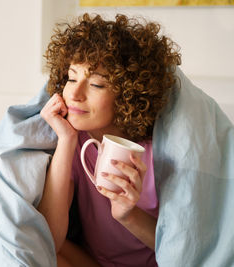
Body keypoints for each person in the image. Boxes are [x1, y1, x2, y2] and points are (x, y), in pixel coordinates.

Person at [37, 13, 181, 267]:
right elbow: (48, 240)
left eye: (96, 85)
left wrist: (127, 215)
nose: (75, 94)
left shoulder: (160, 150)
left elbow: (182, 248)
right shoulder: (76, 143)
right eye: (71, 78)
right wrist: (67, 139)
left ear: (128, 94)